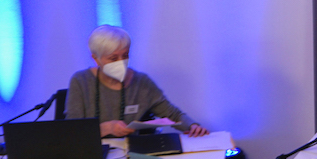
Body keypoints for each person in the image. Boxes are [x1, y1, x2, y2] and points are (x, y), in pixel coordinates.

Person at [65, 25, 209, 139]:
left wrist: (193, 126)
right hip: (93, 155)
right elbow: (73, 131)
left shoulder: (141, 83)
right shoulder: (81, 81)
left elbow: (172, 114)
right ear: (96, 59)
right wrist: (107, 128)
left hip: (131, 155)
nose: (121, 63)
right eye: (113, 59)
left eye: (125, 56)